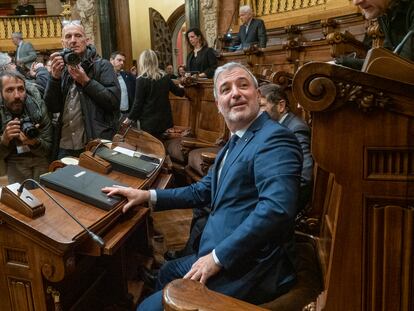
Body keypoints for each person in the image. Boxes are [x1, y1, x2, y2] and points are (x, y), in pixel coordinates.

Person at [103, 62, 303, 310]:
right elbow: (202, 190)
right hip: (219, 250)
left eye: (243, 85)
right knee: (166, 271)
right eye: (226, 89)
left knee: (146, 308)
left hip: (250, 265)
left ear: (257, 95)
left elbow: (276, 209)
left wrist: (217, 258)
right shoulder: (237, 140)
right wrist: (146, 195)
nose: (236, 93)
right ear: (219, 105)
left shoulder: (274, 138)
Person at [44, 21, 120, 159]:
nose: (73, 40)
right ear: (62, 43)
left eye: (78, 35)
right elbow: (52, 107)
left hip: (94, 144)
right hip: (65, 145)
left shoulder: (102, 66)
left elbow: (113, 102)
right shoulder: (61, 68)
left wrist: (86, 81)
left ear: (87, 40)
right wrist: (54, 78)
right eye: (68, 36)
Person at [259, 83, 313, 212]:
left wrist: (276, 209)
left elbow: (305, 178)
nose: (257, 112)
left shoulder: (296, 129)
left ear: (281, 106)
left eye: (261, 106)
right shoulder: (272, 126)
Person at [0, 71, 52, 186]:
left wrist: (34, 142)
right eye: (9, 90)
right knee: (22, 197)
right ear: (1, 93)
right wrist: (4, 140)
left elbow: (48, 147)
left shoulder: (38, 107)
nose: (17, 95)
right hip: (13, 158)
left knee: (44, 194)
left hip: (39, 155)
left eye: (21, 89)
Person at [124, 49, 185, 138]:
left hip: (149, 123)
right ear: (155, 61)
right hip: (165, 121)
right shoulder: (165, 77)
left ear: (142, 62)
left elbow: (138, 104)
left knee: (152, 149)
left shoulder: (141, 80)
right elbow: (180, 93)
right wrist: (182, 85)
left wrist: (129, 119)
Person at [338, 0, 414, 69]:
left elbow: (402, 67)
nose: (356, 2)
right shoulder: (385, 13)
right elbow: (388, 56)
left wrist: (358, 64)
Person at [110, 51, 136, 122]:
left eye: (123, 61)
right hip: (113, 116)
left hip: (127, 114)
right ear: (111, 60)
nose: (122, 63)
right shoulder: (106, 76)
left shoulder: (126, 75)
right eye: (119, 60)